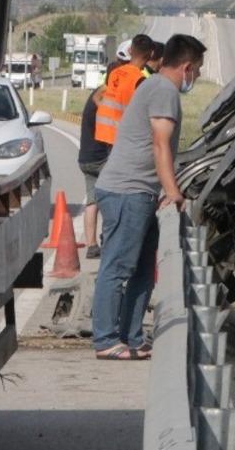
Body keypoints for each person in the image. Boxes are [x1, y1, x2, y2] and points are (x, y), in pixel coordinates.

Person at [91, 33, 207, 360]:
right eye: (196, 70)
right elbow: (160, 143)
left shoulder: (156, 88)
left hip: (140, 192)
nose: (196, 76)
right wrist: (174, 192)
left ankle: (132, 336)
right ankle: (105, 339)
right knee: (118, 266)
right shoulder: (163, 91)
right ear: (185, 67)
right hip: (127, 190)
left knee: (142, 269)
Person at [95, 34, 154, 146]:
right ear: (151, 54)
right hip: (121, 138)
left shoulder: (115, 72)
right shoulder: (140, 80)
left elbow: (99, 98)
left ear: (130, 50)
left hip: (103, 132)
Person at [77, 84, 110, 259]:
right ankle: (108, 240)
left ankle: (91, 245)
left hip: (85, 159)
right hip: (102, 159)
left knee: (92, 202)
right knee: (109, 200)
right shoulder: (105, 104)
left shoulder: (92, 98)